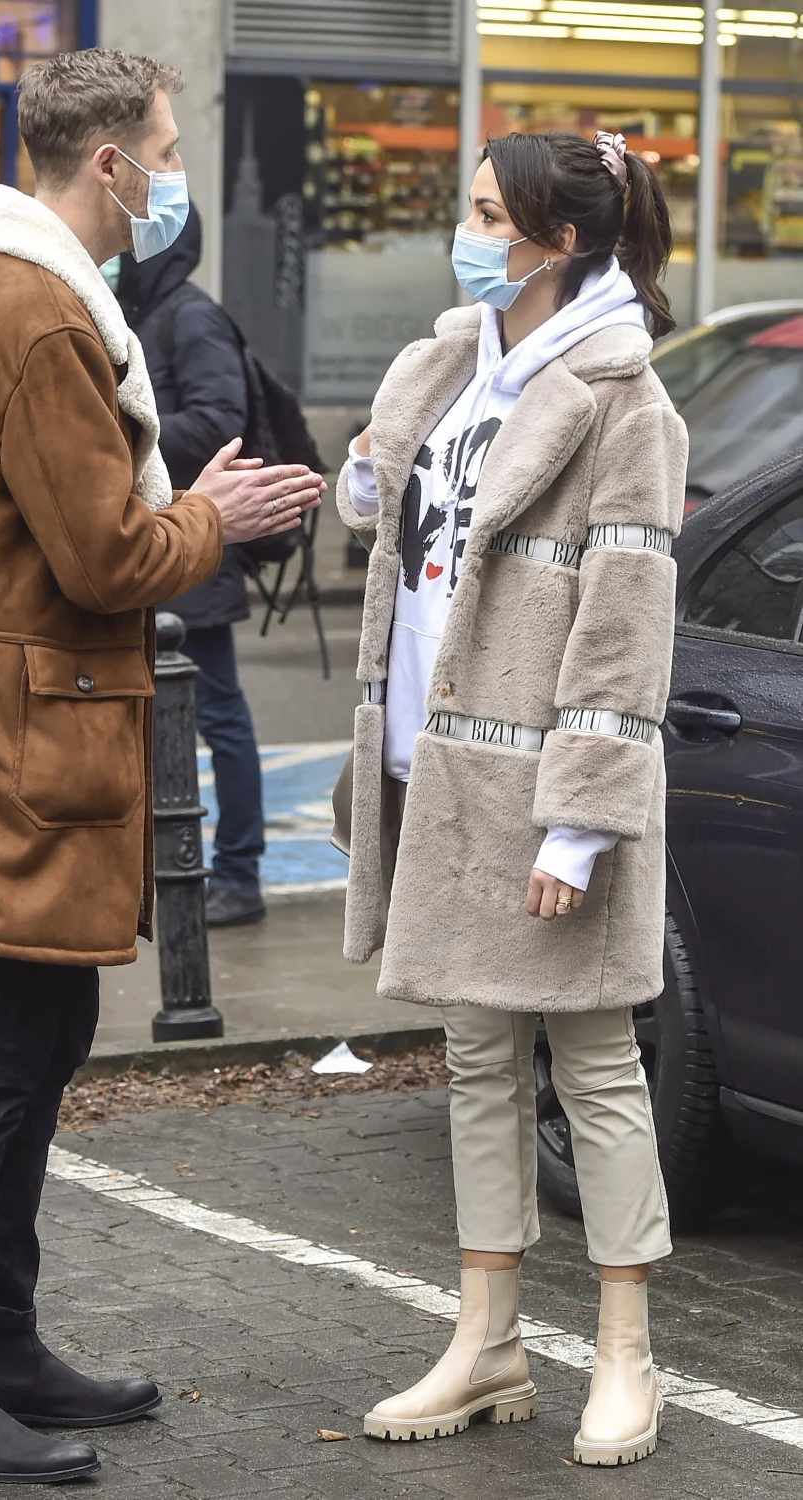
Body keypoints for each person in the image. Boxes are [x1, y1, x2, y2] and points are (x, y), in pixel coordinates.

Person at [0, 48, 323, 1484]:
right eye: (166, 150)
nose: (175, 175)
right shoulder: (37, 310)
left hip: (0, 735)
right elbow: (107, 555)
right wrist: (210, 515)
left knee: (30, 1040)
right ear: (107, 164)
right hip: (14, 747)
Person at [335, 130, 687, 1468]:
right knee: (477, 1061)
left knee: (593, 1068)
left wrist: (581, 816)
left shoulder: (620, 403)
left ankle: (624, 1358)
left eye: (488, 213)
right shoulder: (445, 364)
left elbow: (623, 622)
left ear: (562, 240)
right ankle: (486, 1345)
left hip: (541, 787)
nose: (465, 231)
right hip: (438, 769)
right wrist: (371, 470)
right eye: (466, 208)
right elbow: (403, 537)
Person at [103, 205, 278, 927]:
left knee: (218, 715)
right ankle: (176, 866)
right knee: (169, 713)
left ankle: (238, 873)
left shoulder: (189, 316)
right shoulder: (132, 312)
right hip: (163, 535)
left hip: (196, 541)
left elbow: (219, 423)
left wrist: (116, 425)